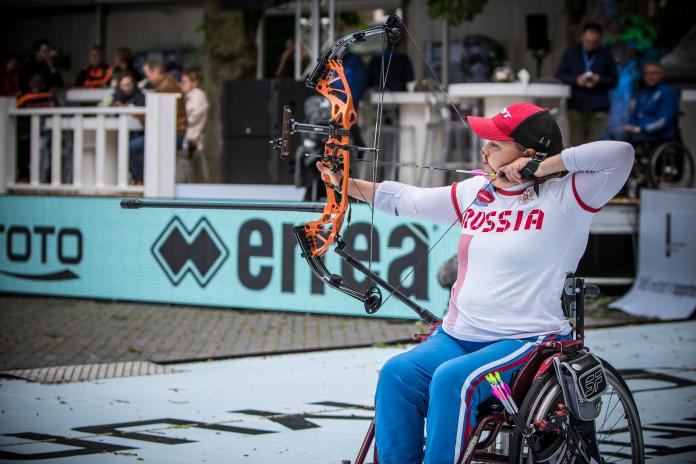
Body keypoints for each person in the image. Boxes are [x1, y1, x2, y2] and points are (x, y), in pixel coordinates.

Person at [316, 102, 634, 464]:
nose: (484, 150)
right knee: (397, 374)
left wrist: (540, 169)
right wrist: (343, 183)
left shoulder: (569, 195)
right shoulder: (477, 192)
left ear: (527, 152)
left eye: (496, 145)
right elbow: (409, 200)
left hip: (527, 339)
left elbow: (620, 154)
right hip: (458, 335)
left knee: (453, 380)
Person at [556, 23, 617, 146]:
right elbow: (560, 75)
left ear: (599, 40)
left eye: (594, 43)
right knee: (576, 145)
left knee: (598, 145)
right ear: (582, 37)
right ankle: (576, 166)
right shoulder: (572, 52)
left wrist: (600, 80)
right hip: (576, 104)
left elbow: (614, 80)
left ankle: (596, 166)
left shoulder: (605, 54)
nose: (590, 45)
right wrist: (576, 80)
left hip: (599, 105)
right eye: (588, 41)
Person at [128, 58, 186, 184]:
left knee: (132, 147)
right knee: (137, 145)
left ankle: (143, 181)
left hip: (173, 134)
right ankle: (145, 180)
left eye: (147, 74)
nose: (147, 78)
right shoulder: (167, 83)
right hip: (173, 132)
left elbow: (155, 114)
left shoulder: (164, 87)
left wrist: (136, 115)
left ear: (155, 72)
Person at [622, 61, 679, 144]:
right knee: (617, 137)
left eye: (654, 73)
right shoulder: (642, 94)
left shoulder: (667, 92)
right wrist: (629, 126)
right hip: (640, 132)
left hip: (659, 135)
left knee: (625, 140)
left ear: (662, 75)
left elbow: (664, 121)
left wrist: (640, 129)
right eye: (647, 73)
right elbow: (635, 115)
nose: (650, 76)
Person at [179, 69, 209, 182]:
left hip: (193, 138)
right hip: (189, 138)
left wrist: (181, 120)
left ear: (194, 82)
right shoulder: (187, 97)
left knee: (192, 172)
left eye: (184, 81)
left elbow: (191, 118)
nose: (181, 84)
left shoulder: (197, 96)